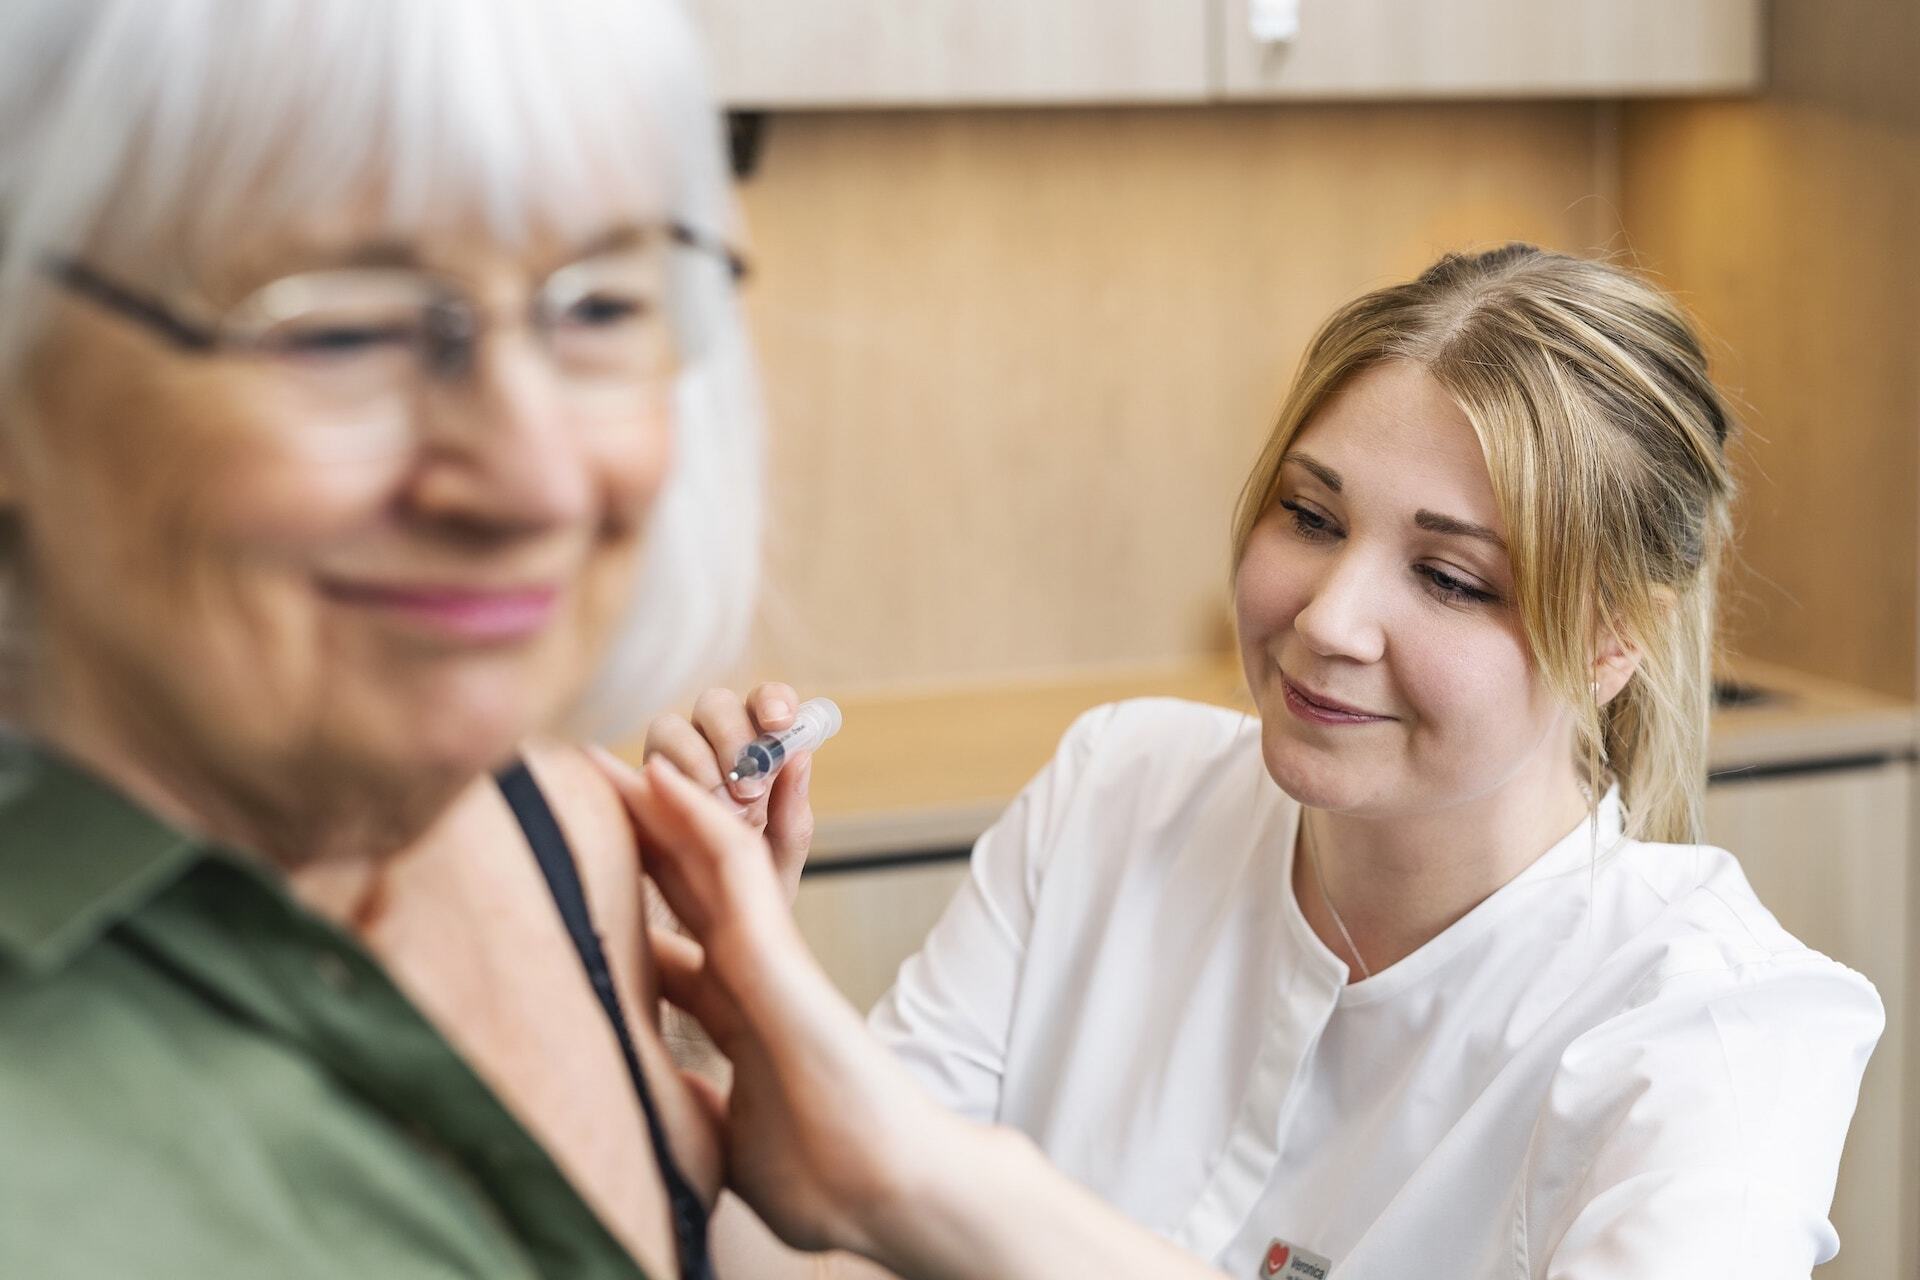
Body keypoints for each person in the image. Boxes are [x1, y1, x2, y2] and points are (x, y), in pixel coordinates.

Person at [632, 245, 1884, 1279]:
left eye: (1450, 577)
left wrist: (933, 1180)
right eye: (1310, 515)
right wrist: (702, 993)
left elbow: (888, 1181)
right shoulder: (1118, 787)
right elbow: (823, 1248)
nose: (1330, 619)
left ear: (1618, 638)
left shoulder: (1722, 1024)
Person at [0, 3, 784, 1277]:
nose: (535, 481)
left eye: (594, 306)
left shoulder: (559, 827)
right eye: (339, 326)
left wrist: (911, 1183)